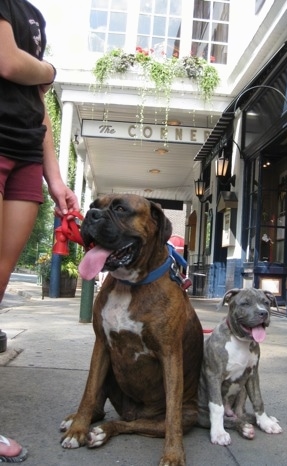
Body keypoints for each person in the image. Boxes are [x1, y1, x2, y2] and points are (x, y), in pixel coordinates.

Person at [0, 0, 80, 461]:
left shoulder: (32, 14)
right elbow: (9, 63)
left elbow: (40, 108)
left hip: (26, 158)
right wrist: (48, 68)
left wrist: (57, 181)